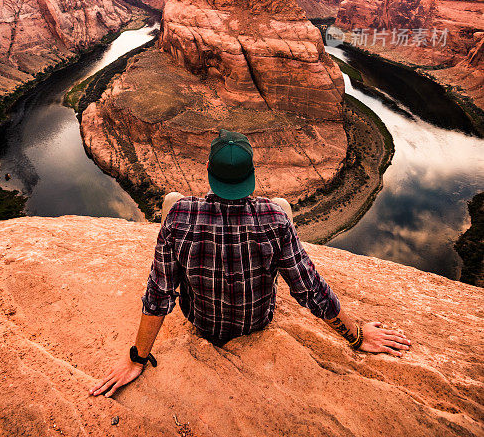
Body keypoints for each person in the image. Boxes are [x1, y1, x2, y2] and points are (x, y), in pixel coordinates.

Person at [90, 129, 411, 398]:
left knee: (172, 198)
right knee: (283, 205)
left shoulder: (179, 214)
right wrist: (357, 337)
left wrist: (137, 359)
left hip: (202, 322)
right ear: (251, 175)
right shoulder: (274, 218)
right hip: (256, 321)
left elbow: (159, 295)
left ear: (207, 168)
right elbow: (310, 289)